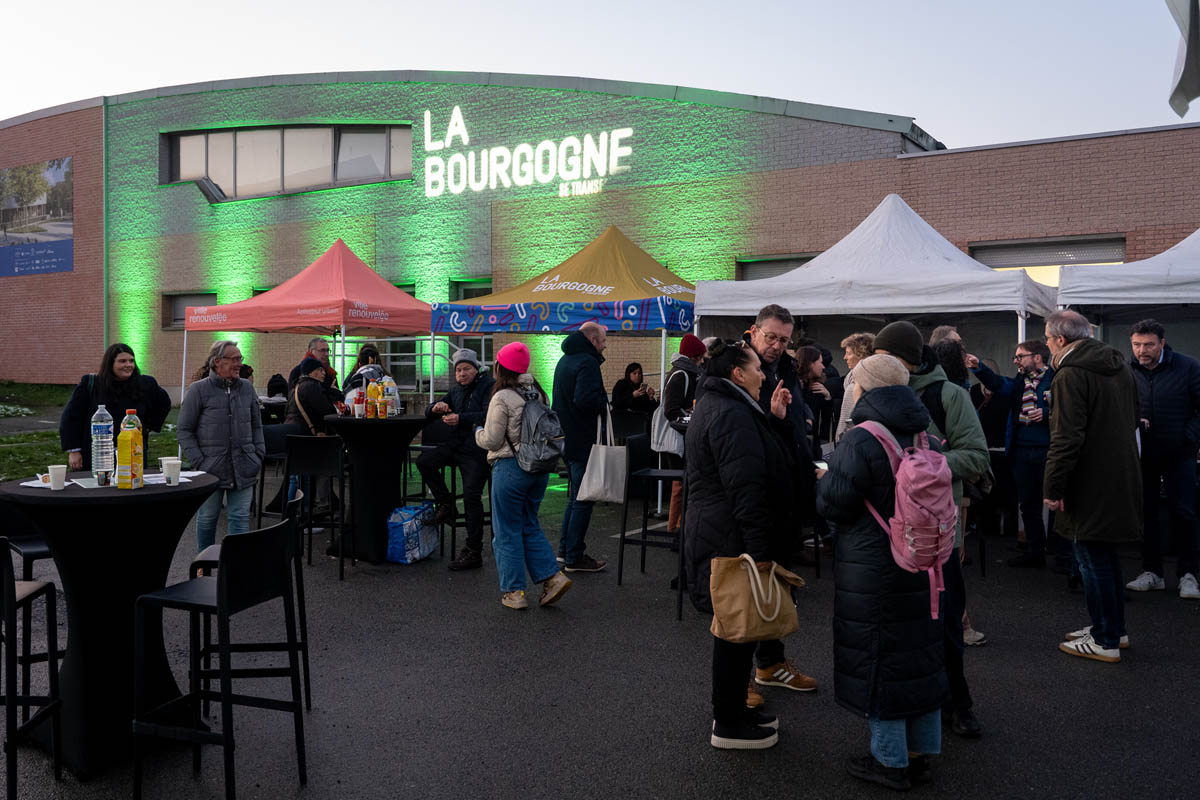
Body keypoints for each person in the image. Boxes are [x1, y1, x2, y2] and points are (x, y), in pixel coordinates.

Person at [818, 354, 946, 790]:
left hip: (873, 563)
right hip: (922, 559)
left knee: (880, 659)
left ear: (863, 388)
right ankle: (921, 750)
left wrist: (823, 481)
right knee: (918, 657)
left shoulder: (861, 438)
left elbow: (834, 504)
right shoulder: (922, 431)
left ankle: (890, 761)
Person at [873, 320, 988, 738]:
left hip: (937, 537)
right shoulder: (872, 394)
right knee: (899, 630)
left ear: (910, 359)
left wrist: (923, 467)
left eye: (888, 358)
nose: (881, 365)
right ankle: (911, 709)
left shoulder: (949, 395)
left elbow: (976, 456)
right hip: (887, 535)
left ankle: (959, 703)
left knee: (946, 625)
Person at [684, 338, 797, 749]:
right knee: (733, 631)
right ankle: (728, 722)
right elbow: (746, 488)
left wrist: (778, 420)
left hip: (723, 532)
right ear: (737, 373)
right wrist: (761, 552)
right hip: (730, 537)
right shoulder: (729, 412)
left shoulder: (726, 405)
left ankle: (733, 709)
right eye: (756, 367)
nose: (763, 374)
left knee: (736, 630)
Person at [1042, 310, 1142, 662]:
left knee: (1092, 560)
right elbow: (1133, 418)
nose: (1047, 345)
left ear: (1061, 340)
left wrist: (1053, 488)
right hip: (1119, 475)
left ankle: (1105, 639)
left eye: (1048, 339)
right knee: (1107, 558)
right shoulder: (1120, 367)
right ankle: (1113, 629)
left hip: (1087, 481)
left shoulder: (1070, 375)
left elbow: (1066, 438)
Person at [741, 305, 819, 706]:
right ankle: (740, 682)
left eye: (784, 340)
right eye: (770, 337)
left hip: (787, 490)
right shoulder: (735, 368)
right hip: (754, 497)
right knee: (746, 591)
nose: (776, 345)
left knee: (776, 587)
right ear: (753, 331)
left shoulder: (786, 368)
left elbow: (792, 422)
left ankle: (770, 663)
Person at [474, 342, 572, 610]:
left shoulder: (502, 397)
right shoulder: (538, 394)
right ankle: (552, 577)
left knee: (506, 530)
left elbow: (493, 441)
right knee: (529, 525)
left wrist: (477, 432)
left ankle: (514, 592)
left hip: (510, 468)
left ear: (500, 367)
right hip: (538, 469)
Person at [967, 341, 1063, 570]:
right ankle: (1035, 551)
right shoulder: (1020, 382)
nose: (1015, 361)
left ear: (1038, 357)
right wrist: (978, 367)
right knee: (1028, 504)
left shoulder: (1058, 379)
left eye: (1020, 356)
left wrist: (1048, 413)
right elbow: (999, 384)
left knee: (1056, 504)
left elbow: (1069, 408)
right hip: (1022, 450)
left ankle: (1065, 557)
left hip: (1049, 450)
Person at [1123, 319, 1200, 600]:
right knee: (1147, 513)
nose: (1142, 350)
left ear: (1162, 343)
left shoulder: (1188, 366)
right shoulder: (1127, 370)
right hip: (1143, 454)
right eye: (1137, 344)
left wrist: (1187, 437)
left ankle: (1188, 575)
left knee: (1185, 513)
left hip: (1181, 453)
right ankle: (1152, 572)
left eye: (1149, 345)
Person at [178, 340, 265, 551]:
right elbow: (184, 430)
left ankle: (236, 569)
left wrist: (258, 454)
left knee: (240, 519)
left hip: (244, 465)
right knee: (207, 519)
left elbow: (256, 425)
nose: (239, 364)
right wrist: (200, 461)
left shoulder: (246, 387)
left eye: (240, 359)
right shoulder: (198, 390)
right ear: (217, 361)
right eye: (235, 359)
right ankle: (203, 566)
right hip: (210, 470)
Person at [420, 348, 495, 571]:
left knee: (472, 496)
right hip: (455, 446)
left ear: (476, 369)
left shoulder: (488, 386)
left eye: (466, 369)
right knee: (424, 462)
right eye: (459, 370)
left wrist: (460, 418)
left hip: (477, 448)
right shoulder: (455, 390)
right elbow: (428, 411)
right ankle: (446, 503)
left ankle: (473, 550)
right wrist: (435, 407)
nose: (462, 374)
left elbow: (488, 415)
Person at [552, 321, 610, 573]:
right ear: (593, 340)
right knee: (584, 499)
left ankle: (565, 551)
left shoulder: (565, 360)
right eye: (604, 342)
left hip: (567, 438)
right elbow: (585, 399)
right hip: (584, 438)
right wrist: (603, 402)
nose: (604, 347)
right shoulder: (587, 362)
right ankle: (575, 555)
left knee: (575, 497)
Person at [60, 343, 172, 472]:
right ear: (110, 363)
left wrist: (148, 426)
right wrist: (74, 451)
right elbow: (71, 417)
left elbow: (163, 403)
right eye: (122, 361)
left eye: (131, 361)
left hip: (133, 451)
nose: (128, 365)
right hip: (98, 453)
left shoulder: (145, 384)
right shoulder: (91, 384)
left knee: (133, 487)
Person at [661, 333, 707, 533]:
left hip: (679, 434)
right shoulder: (682, 375)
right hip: (677, 436)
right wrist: (689, 413)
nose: (703, 361)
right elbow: (670, 410)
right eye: (700, 356)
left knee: (680, 483)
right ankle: (675, 527)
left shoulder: (680, 372)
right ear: (694, 356)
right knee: (680, 483)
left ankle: (677, 526)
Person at [835, 332, 874, 443]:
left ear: (861, 355)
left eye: (848, 353)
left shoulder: (857, 385)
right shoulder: (852, 378)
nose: (844, 357)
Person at [285, 357, 337, 435]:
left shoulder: (295, 388)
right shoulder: (312, 386)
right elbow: (328, 411)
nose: (324, 373)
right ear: (310, 372)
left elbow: (286, 412)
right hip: (306, 434)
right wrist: (333, 393)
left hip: (290, 431)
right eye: (320, 370)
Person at [288, 336, 340, 403]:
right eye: (322, 350)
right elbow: (292, 399)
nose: (326, 354)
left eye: (327, 350)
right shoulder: (297, 371)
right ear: (312, 351)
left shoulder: (330, 372)